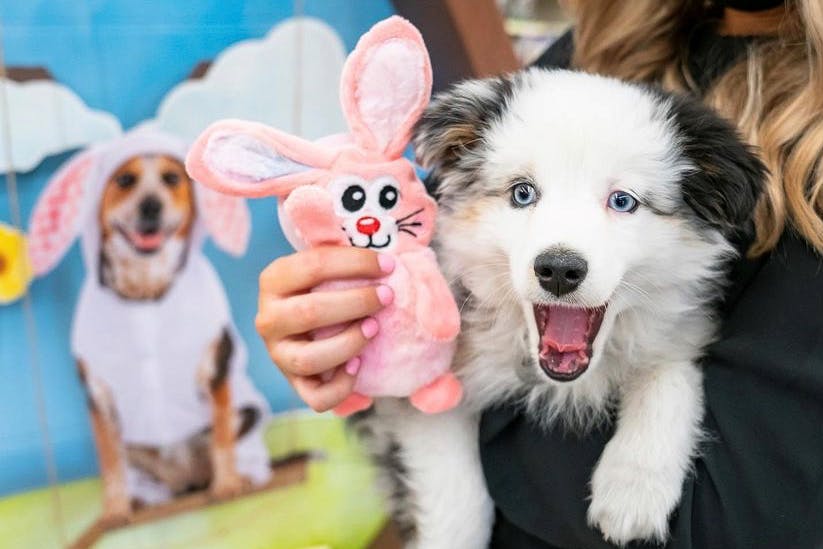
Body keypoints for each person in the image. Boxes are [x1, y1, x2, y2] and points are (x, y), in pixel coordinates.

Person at [255, 1, 823, 547]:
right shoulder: (596, 50)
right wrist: (338, 315)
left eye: (623, 201)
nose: (560, 249)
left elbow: (740, 515)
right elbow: (417, 239)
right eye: (524, 194)